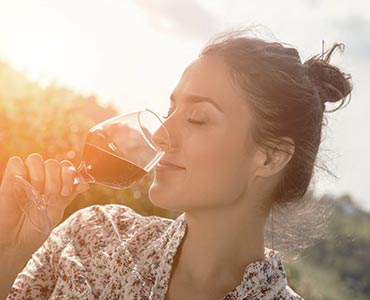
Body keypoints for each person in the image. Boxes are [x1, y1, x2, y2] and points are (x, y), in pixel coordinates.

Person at [0, 27, 352, 299]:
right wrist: (10, 251)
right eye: (170, 112)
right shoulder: (92, 237)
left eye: (197, 118)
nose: (160, 135)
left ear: (270, 156)